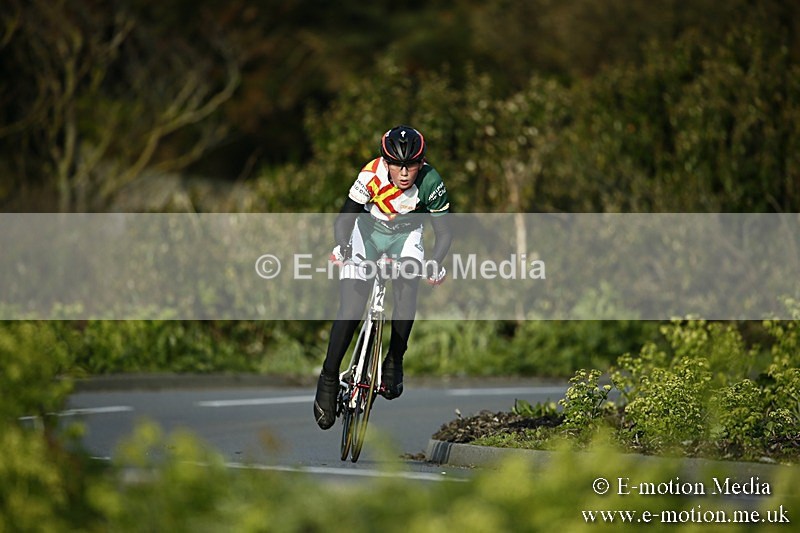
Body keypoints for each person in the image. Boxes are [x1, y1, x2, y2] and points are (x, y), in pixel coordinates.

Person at [313, 125, 452, 430]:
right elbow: (346, 216)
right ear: (385, 162)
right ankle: (328, 376)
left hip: (406, 236)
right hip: (368, 234)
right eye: (398, 165)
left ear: (422, 162)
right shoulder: (370, 175)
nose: (404, 173)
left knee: (407, 288)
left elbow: (443, 233)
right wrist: (344, 246)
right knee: (351, 307)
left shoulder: (431, 181)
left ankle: (394, 360)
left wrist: (434, 263)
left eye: (411, 165)